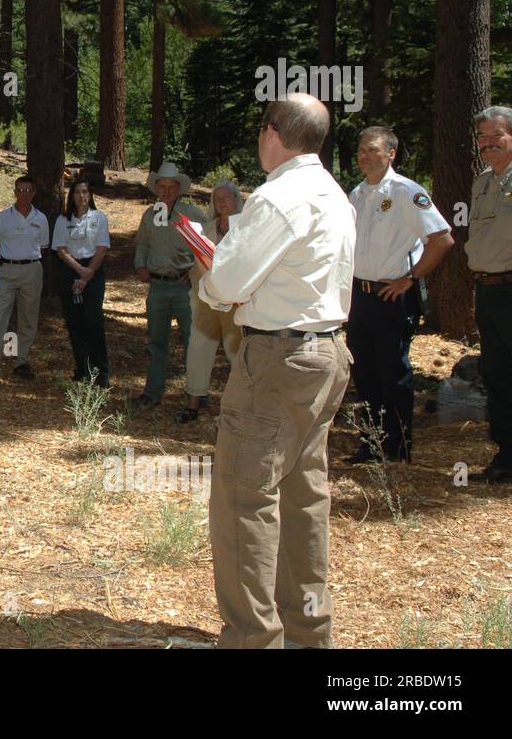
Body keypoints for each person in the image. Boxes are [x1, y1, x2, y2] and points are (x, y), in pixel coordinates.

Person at [198, 93, 355, 650]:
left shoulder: (278, 196)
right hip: (327, 352)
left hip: (278, 360)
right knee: (303, 497)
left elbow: (227, 285)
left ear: (271, 133)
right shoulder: (335, 194)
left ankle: (251, 640)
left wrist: (212, 273)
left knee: (244, 499)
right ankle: (307, 635)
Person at [344, 127, 453, 463]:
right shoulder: (357, 195)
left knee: (393, 372)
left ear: (391, 153)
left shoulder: (407, 192)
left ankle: (398, 447)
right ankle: (373, 443)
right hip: (359, 297)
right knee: (364, 372)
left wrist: (410, 278)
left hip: (392, 296)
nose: (365, 155)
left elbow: (442, 239)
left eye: (373, 150)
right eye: (361, 149)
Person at [133, 162, 207, 407]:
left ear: (178, 188)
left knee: (193, 341)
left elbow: (208, 247)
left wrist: (196, 271)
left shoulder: (193, 214)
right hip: (158, 286)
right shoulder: (150, 215)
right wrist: (141, 265)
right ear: (156, 188)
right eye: (161, 186)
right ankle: (153, 393)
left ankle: (197, 394)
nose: (165, 191)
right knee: (156, 342)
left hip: (184, 287)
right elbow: (143, 243)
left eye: (170, 186)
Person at [467, 106, 512, 483]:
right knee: (497, 374)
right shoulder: (482, 181)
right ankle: (505, 455)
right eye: (482, 138)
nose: (487, 143)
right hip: (488, 290)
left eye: (495, 136)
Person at [178, 181, 245, 423]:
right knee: (198, 350)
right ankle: (193, 401)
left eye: (227, 197)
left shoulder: (246, 230)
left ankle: (240, 407)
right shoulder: (205, 229)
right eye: (218, 198)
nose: (222, 201)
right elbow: (198, 261)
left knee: (235, 353)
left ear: (237, 200)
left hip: (234, 302)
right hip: (205, 300)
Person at [0, 176, 49, 380]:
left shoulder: (41, 218)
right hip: (6, 270)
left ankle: (20, 360)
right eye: (20, 190)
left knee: (27, 318)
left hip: (31, 270)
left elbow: (43, 248)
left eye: (28, 190)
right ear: (14, 192)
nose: (24, 194)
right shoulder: (3, 217)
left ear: (34, 193)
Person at [53, 178, 111, 387]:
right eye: (77, 192)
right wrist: (79, 271)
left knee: (93, 322)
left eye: (85, 192)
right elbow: (60, 249)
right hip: (70, 270)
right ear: (72, 196)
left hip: (93, 270)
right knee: (74, 322)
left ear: (90, 195)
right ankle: (82, 370)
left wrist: (88, 274)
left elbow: (102, 247)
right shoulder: (63, 220)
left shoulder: (99, 218)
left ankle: (101, 372)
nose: (82, 196)